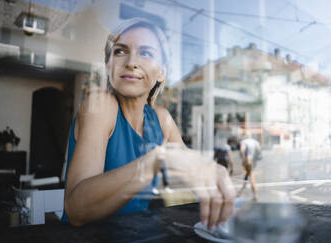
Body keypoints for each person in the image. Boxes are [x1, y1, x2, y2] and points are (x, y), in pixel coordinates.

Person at [62, 18, 235, 228]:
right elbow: (76, 210)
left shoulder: (162, 120)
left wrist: (219, 177)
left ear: (161, 72)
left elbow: (194, 174)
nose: (131, 62)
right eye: (120, 51)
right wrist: (157, 160)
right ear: (109, 65)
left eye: (145, 53)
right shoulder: (101, 108)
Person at [237, 132, 261, 201]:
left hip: (247, 160)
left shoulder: (244, 142)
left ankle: (255, 194)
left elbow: (242, 150)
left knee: (251, 175)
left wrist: (243, 158)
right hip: (254, 161)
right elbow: (259, 150)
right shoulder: (255, 142)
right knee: (248, 175)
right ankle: (241, 191)